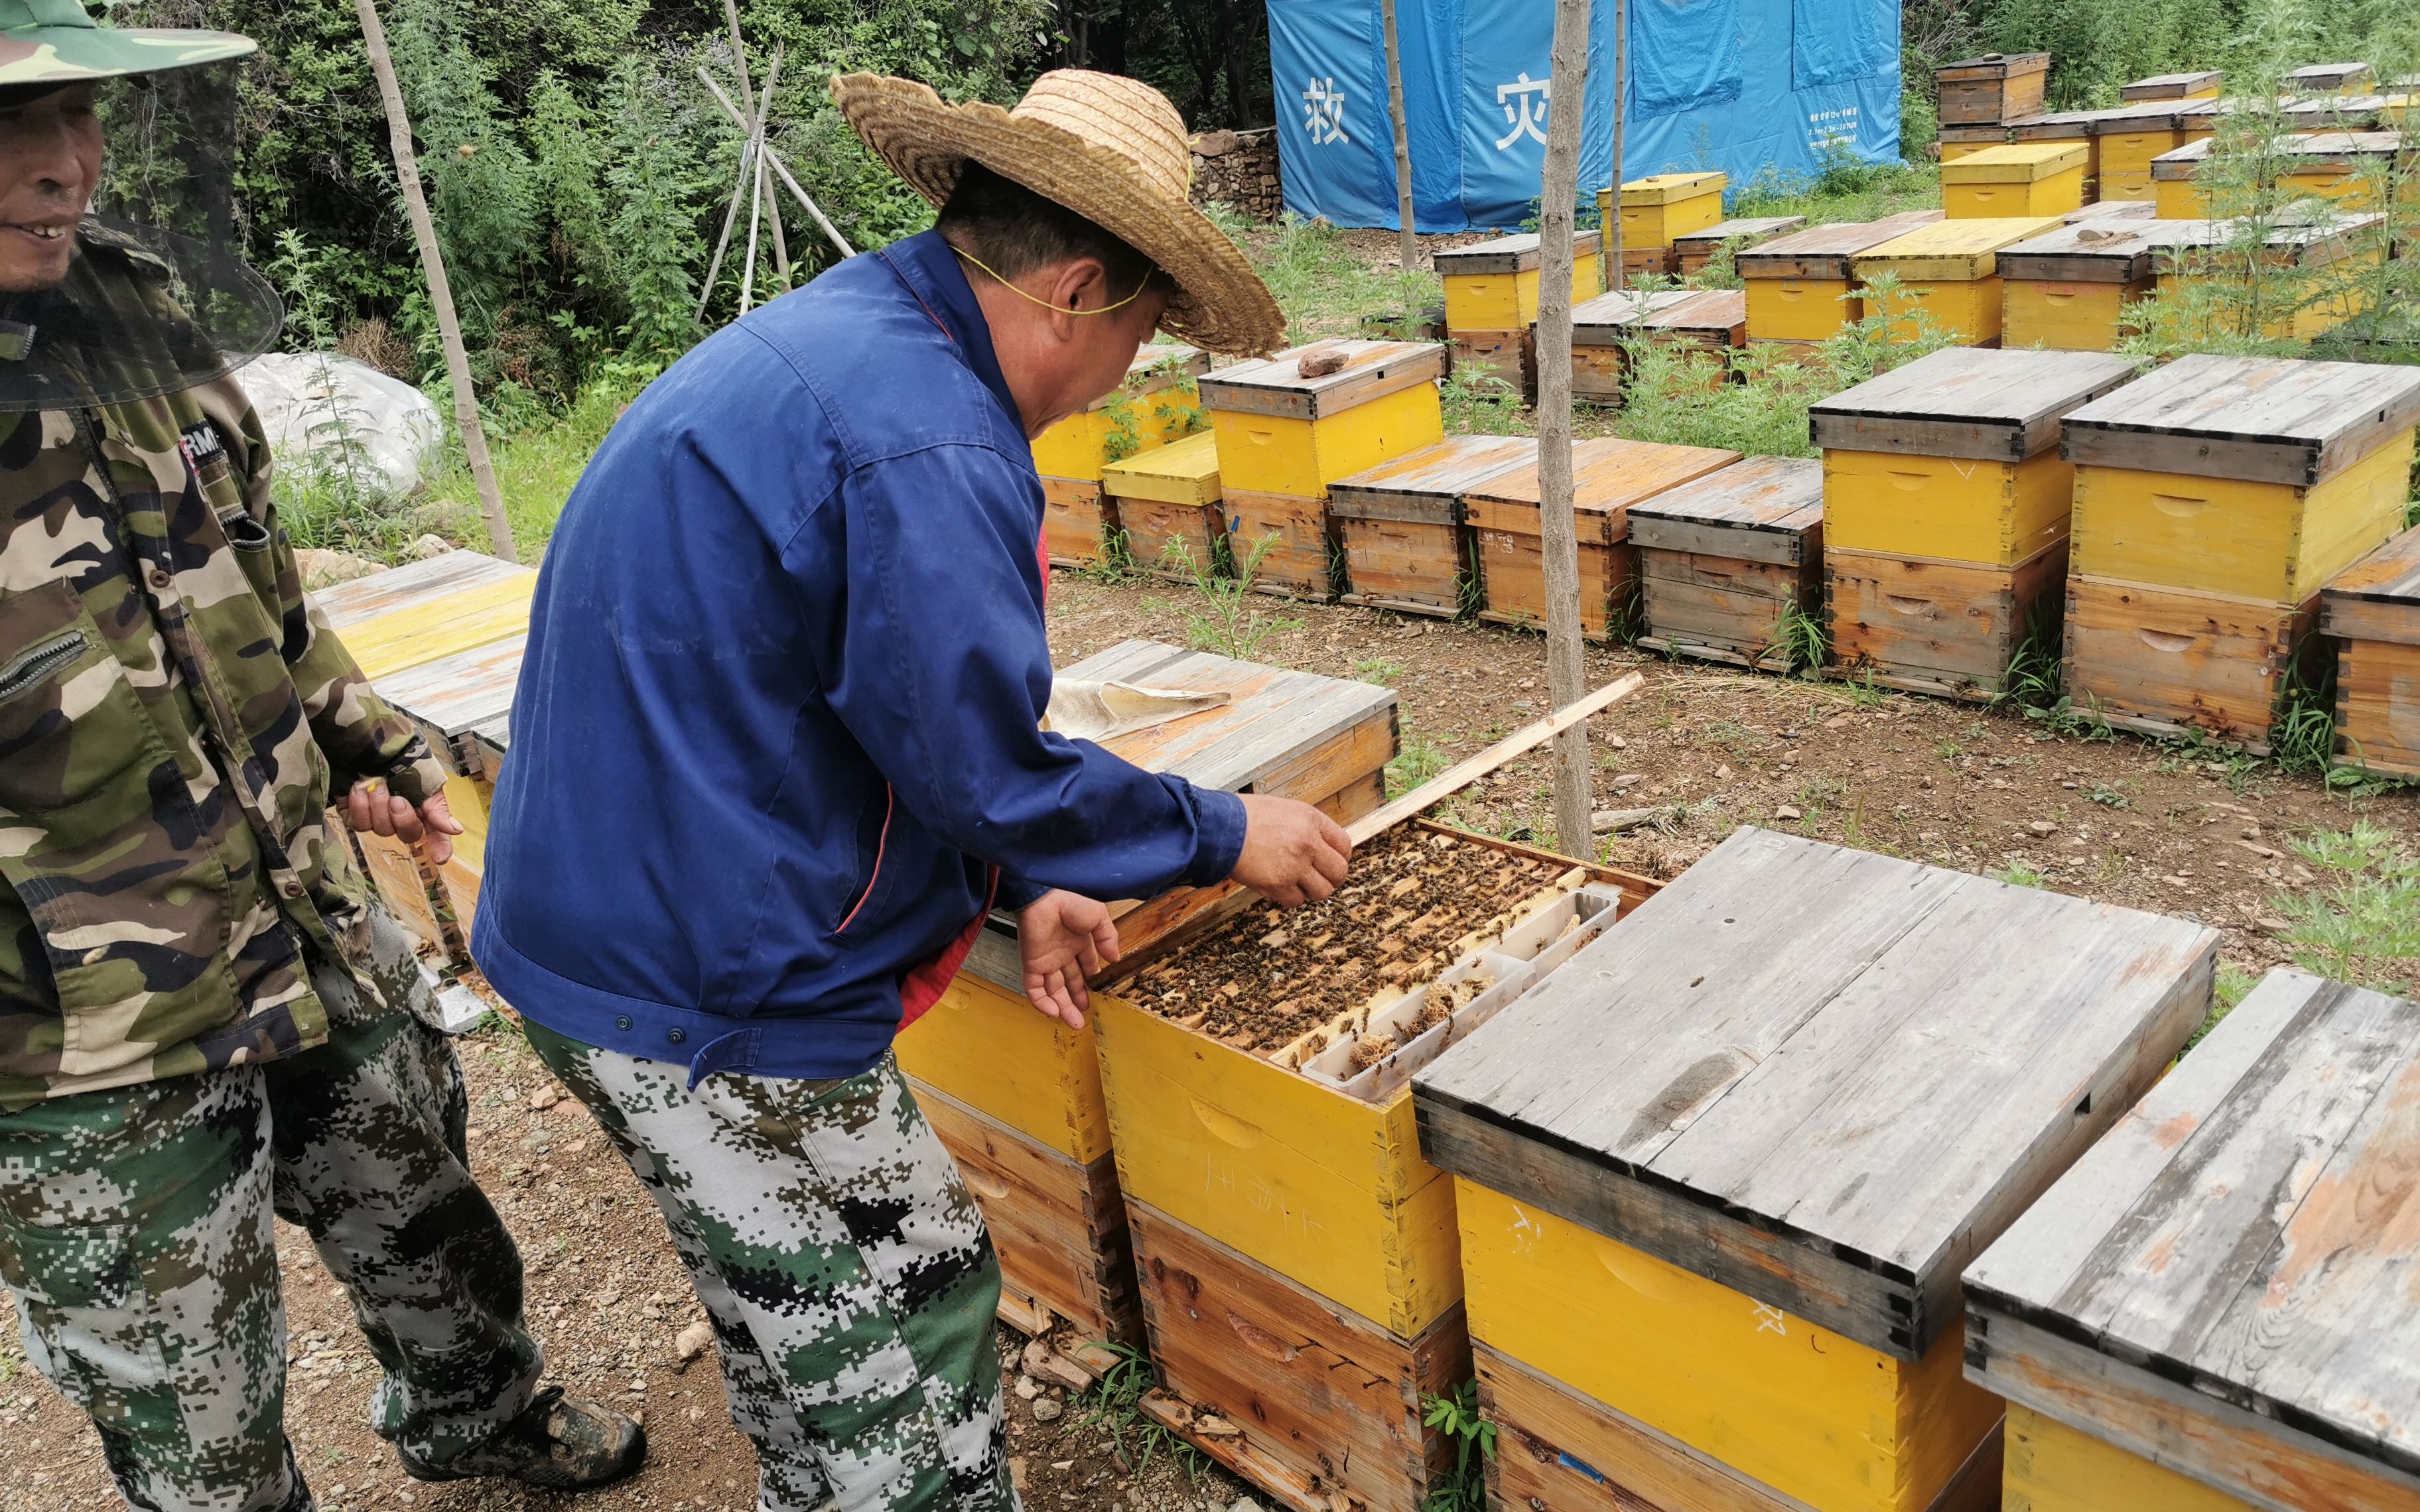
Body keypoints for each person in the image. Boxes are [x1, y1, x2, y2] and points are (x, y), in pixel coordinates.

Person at [473, 67, 1352, 1511]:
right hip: (713, 985)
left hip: (610, 931)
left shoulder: (854, 340)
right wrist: (1218, 831)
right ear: (1075, 291)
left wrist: (1032, 874)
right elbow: (984, 764)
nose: (1137, 365)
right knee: (904, 1308)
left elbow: (862, 703)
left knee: (783, 1311)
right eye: (1145, 329)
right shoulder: (923, 437)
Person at [0, 9, 641, 1509]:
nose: (61, 162)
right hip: (77, 1031)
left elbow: (254, 582)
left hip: (299, 908)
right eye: (6, 130)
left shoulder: (131, 305)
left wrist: (360, 738)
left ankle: (483, 1422)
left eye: (80, 117)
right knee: (192, 1404)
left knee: (426, 1203)